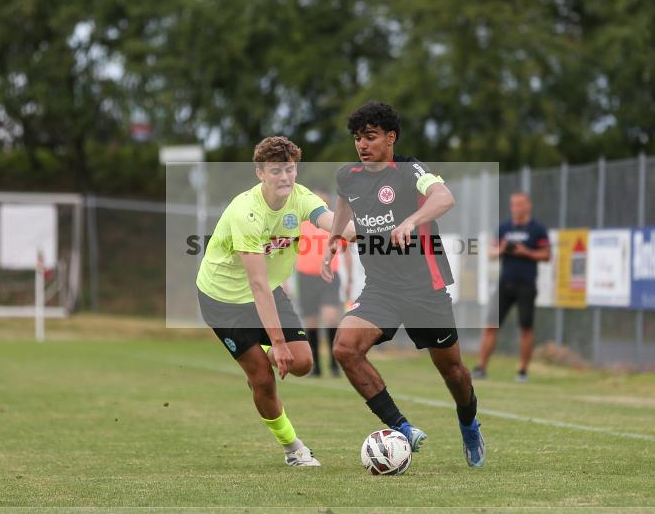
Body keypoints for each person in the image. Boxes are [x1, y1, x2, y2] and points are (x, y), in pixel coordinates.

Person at [321, 101, 486, 468]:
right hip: (381, 290)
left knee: (454, 373)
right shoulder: (348, 176)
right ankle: (403, 428)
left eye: (370, 136)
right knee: (345, 348)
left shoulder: (411, 172)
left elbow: (444, 197)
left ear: (391, 138)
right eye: (357, 138)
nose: (362, 145)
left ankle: (469, 423)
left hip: (425, 289)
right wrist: (334, 239)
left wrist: (412, 220)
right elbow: (344, 202)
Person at [196, 136, 355, 467]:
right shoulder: (246, 213)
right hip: (224, 300)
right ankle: (293, 449)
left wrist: (379, 229)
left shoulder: (301, 197)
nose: (285, 177)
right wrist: (278, 344)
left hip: (268, 290)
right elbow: (256, 285)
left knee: (303, 363)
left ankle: (263, 353)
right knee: (264, 379)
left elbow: (334, 224)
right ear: (260, 173)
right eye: (275, 171)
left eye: (290, 169)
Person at [474, 191, 550, 382]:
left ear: (528, 205)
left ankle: (522, 371)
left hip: (526, 285)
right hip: (505, 284)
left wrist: (526, 252)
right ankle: (481, 367)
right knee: (490, 325)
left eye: (519, 204)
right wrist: (502, 249)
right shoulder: (504, 228)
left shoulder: (538, 229)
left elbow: (546, 255)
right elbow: (491, 253)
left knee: (526, 327)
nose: (515, 208)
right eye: (513, 204)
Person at [295, 187, 352, 377]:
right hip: (305, 277)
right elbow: (288, 251)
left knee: (330, 318)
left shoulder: (334, 222)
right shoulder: (301, 223)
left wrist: (350, 279)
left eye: (324, 200)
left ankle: (334, 364)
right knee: (311, 321)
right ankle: (316, 366)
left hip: (329, 277)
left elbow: (346, 252)